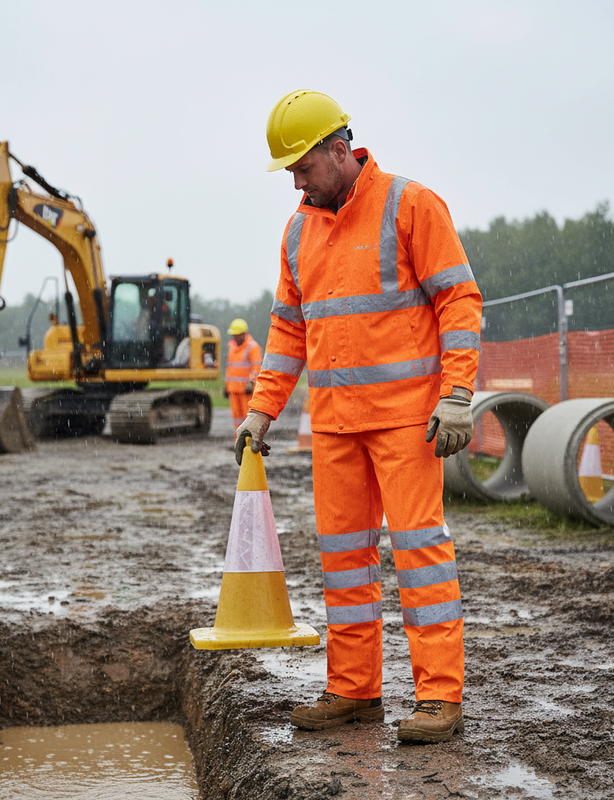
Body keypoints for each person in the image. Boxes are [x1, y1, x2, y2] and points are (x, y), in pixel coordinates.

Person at [235, 90, 482, 744]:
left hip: (405, 423)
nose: (295, 180)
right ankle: (354, 691)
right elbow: (289, 331)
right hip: (336, 426)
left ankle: (439, 698)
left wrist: (457, 395)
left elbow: (459, 301)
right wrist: (261, 412)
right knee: (343, 560)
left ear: (340, 151)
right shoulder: (296, 231)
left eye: (303, 166)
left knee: (419, 555)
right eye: (289, 170)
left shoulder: (409, 205)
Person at [224, 319, 262, 436]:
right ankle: (238, 442)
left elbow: (256, 368)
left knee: (247, 417)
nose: (234, 338)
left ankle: (248, 443)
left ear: (243, 334)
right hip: (233, 390)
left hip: (246, 390)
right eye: (233, 335)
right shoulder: (232, 348)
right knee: (237, 419)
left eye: (236, 335)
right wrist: (226, 386)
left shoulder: (253, 347)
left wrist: (251, 383)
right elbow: (230, 368)